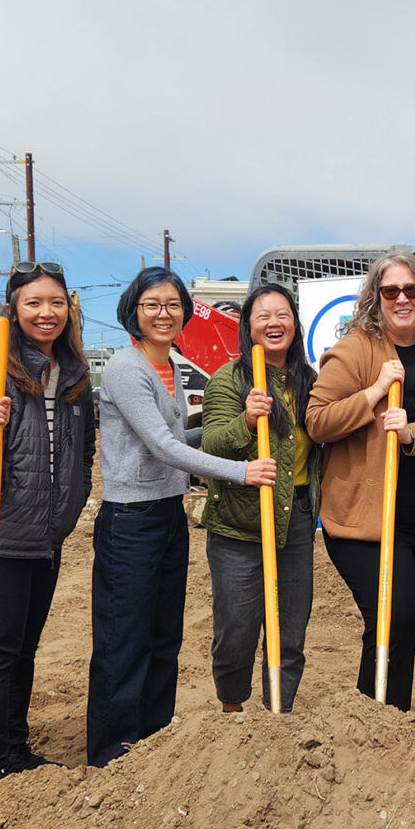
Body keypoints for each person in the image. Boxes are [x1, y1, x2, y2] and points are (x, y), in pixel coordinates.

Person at [89, 266, 276, 766]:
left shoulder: (169, 363)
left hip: (167, 515)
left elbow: (176, 440)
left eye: (173, 304)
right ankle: (113, 756)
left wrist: (241, 424)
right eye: (152, 304)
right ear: (133, 310)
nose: (163, 313)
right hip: (130, 521)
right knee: (125, 640)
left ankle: (152, 745)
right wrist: (242, 471)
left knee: (164, 637)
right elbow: (162, 447)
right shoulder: (127, 367)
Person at [307, 252, 415, 711]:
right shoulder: (356, 348)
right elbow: (318, 420)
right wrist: (374, 393)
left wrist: (412, 433)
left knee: (399, 625)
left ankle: (383, 720)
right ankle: (376, 720)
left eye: (411, 289)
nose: (402, 299)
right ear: (375, 298)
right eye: (391, 290)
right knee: (394, 618)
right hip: (364, 520)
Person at [0, 261, 95, 777]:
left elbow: (85, 452)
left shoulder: (75, 376)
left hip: (46, 537)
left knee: (26, 649)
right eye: (33, 303)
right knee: (0, 649)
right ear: (13, 311)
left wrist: (72, 506)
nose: (46, 312)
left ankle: (15, 748)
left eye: (56, 302)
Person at [201, 283, 320, 713]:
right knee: (236, 630)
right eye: (263, 315)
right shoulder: (229, 380)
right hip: (239, 524)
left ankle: (278, 716)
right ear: (248, 327)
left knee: (289, 632)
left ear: (295, 324)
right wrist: (248, 422)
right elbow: (211, 447)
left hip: (296, 520)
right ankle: (232, 711)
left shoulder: (310, 381)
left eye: (283, 314)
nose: (274, 322)